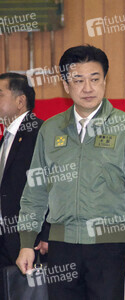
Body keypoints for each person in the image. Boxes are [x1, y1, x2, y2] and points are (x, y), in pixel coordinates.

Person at [15, 45, 125, 300]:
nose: (87, 88)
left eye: (94, 79)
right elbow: (35, 191)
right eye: (78, 80)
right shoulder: (50, 130)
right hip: (61, 248)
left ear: (105, 81)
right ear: (66, 86)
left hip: (110, 248)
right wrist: (26, 243)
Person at [0, 73, 49, 295]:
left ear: (20, 101)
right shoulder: (5, 138)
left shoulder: (40, 132)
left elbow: (52, 184)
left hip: (28, 239)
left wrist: (46, 233)